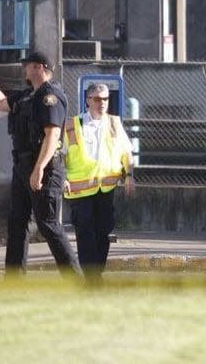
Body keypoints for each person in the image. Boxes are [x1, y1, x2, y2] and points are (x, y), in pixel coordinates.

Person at [0, 49, 81, 278]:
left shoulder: (50, 96)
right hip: (22, 168)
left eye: (28, 65)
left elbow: (52, 135)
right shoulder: (27, 96)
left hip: (45, 169)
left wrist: (39, 168)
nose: (24, 69)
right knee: (17, 223)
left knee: (48, 224)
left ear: (39, 67)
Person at [63, 83, 134, 278]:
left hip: (106, 188)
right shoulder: (72, 125)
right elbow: (58, 154)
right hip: (80, 190)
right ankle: (91, 277)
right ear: (88, 101)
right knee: (85, 233)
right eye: (97, 99)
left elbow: (126, 152)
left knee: (104, 232)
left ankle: (97, 272)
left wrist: (129, 175)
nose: (102, 103)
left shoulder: (113, 123)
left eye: (105, 99)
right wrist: (61, 176)